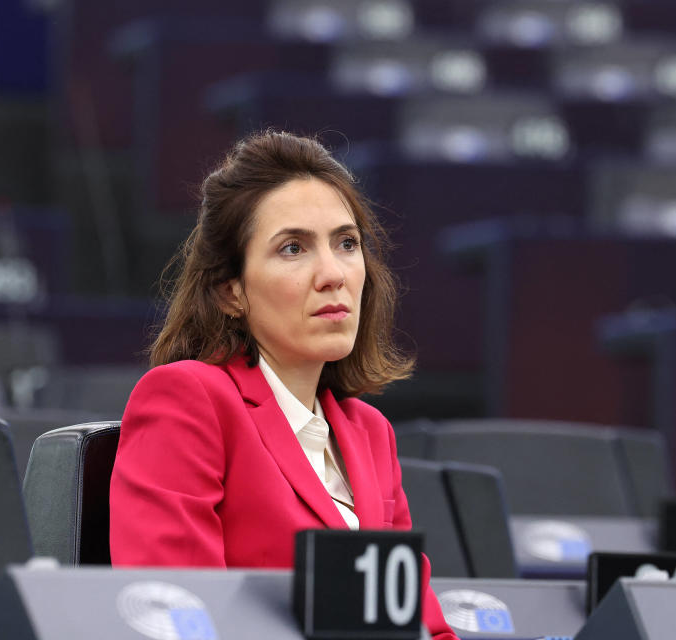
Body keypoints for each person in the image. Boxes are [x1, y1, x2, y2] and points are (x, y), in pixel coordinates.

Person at [109, 130, 457, 639]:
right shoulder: (188, 399)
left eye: (347, 243)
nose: (333, 273)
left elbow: (424, 627)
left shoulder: (371, 432)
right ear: (231, 291)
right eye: (293, 248)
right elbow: (177, 617)